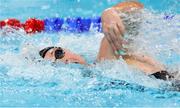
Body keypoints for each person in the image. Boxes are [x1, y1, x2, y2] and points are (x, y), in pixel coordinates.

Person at [39, 1, 176, 81]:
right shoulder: (101, 75)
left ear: (66, 49)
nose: (65, 62)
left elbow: (136, 8)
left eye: (58, 54)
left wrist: (110, 13)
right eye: (55, 65)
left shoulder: (106, 58)